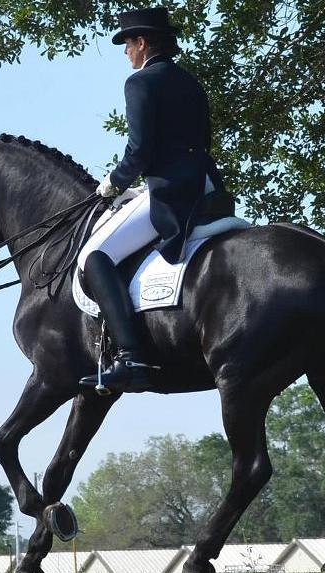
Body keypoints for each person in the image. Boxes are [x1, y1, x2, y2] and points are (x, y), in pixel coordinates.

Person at [78, 6, 226, 394]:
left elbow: (140, 150)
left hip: (172, 191)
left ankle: (131, 357)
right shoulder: (189, 81)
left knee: (95, 257)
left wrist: (114, 182)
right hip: (207, 186)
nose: (126, 53)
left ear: (141, 43)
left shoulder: (141, 83)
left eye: (127, 44)